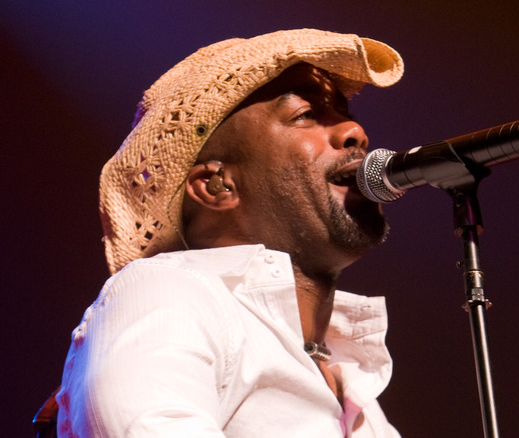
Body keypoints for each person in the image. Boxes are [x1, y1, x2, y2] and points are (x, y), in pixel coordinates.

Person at [56, 29, 404, 437]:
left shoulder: (356, 392)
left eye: (344, 111)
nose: (355, 133)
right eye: (305, 115)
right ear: (217, 186)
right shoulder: (170, 291)